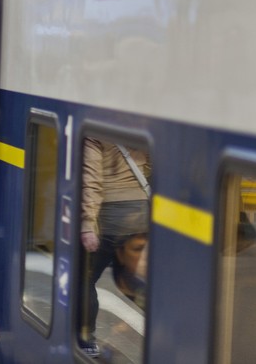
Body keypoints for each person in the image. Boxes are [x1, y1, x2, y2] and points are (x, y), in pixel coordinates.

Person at [79, 137, 151, 358]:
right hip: (142, 215)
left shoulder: (94, 131)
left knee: (85, 280)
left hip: (112, 219)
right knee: (135, 279)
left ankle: (86, 339)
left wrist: (87, 224)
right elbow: (150, 166)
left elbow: (91, 181)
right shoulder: (137, 126)